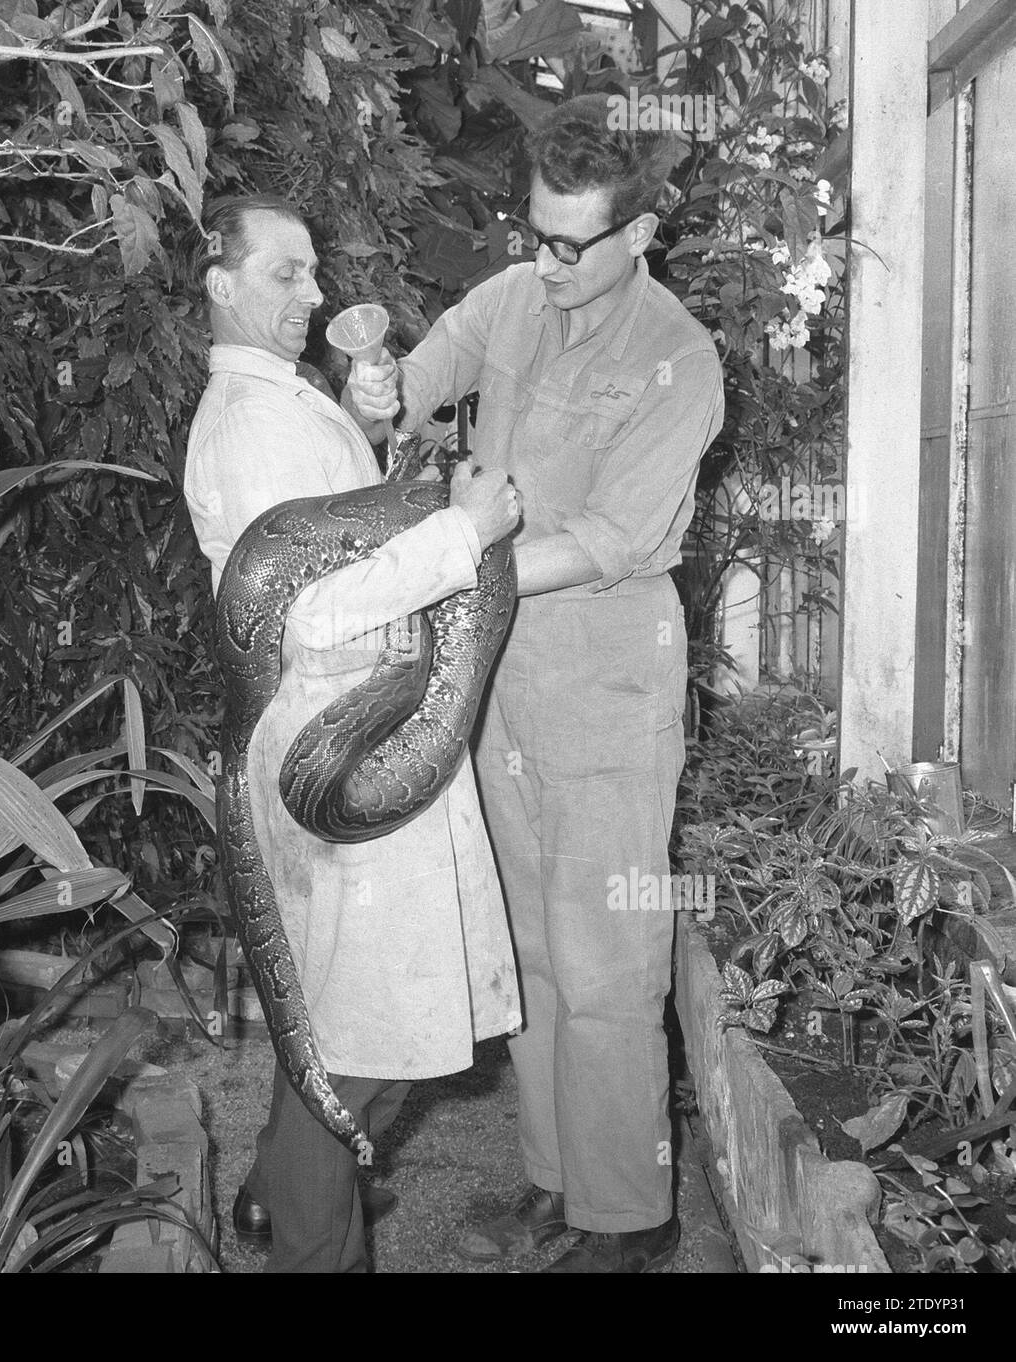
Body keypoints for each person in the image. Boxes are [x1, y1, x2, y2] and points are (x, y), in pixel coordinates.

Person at [344, 97, 725, 1273]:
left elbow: (615, 538)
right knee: (538, 954)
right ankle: (560, 1186)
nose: (544, 262)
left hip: (605, 684)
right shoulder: (513, 297)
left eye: (571, 243)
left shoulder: (678, 358)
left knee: (609, 957)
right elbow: (415, 380)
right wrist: (377, 388)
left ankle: (629, 1220)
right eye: (534, 234)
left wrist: (463, 560)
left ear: (641, 231)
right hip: (501, 679)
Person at [183, 193, 522, 1273]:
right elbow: (313, 613)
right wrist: (468, 531)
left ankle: (278, 1200)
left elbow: (331, 540)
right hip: (334, 743)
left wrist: (367, 429)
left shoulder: (281, 403)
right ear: (219, 283)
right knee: (357, 1045)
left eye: (314, 272)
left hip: (357, 731)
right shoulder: (245, 428)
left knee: (343, 1028)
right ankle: (304, 1235)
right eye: (286, 273)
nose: (316, 293)